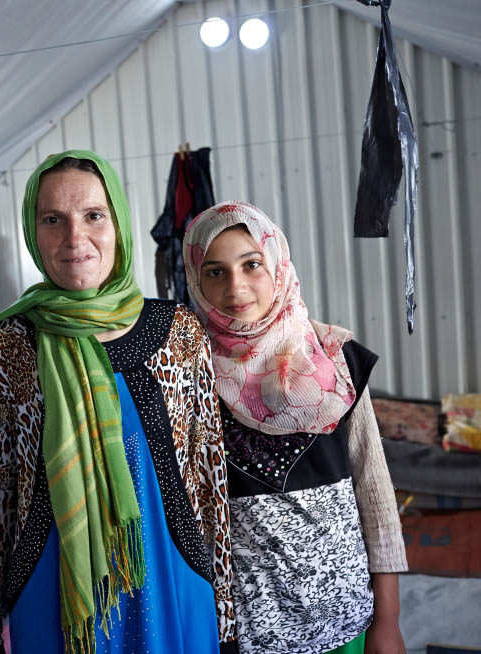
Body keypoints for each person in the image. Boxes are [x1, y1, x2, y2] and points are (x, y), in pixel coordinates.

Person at [0, 150, 238, 654]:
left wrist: (226, 614)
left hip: (171, 577)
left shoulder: (179, 332)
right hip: (53, 589)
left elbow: (208, 479)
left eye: (93, 215)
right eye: (53, 219)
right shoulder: (5, 344)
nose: (74, 238)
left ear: (119, 224)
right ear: (32, 229)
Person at [182, 201, 408, 654]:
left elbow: (375, 492)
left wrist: (388, 621)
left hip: (347, 621)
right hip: (246, 635)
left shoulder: (335, 357)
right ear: (195, 280)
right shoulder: (187, 371)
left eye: (251, 264)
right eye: (215, 272)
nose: (236, 287)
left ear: (278, 265)